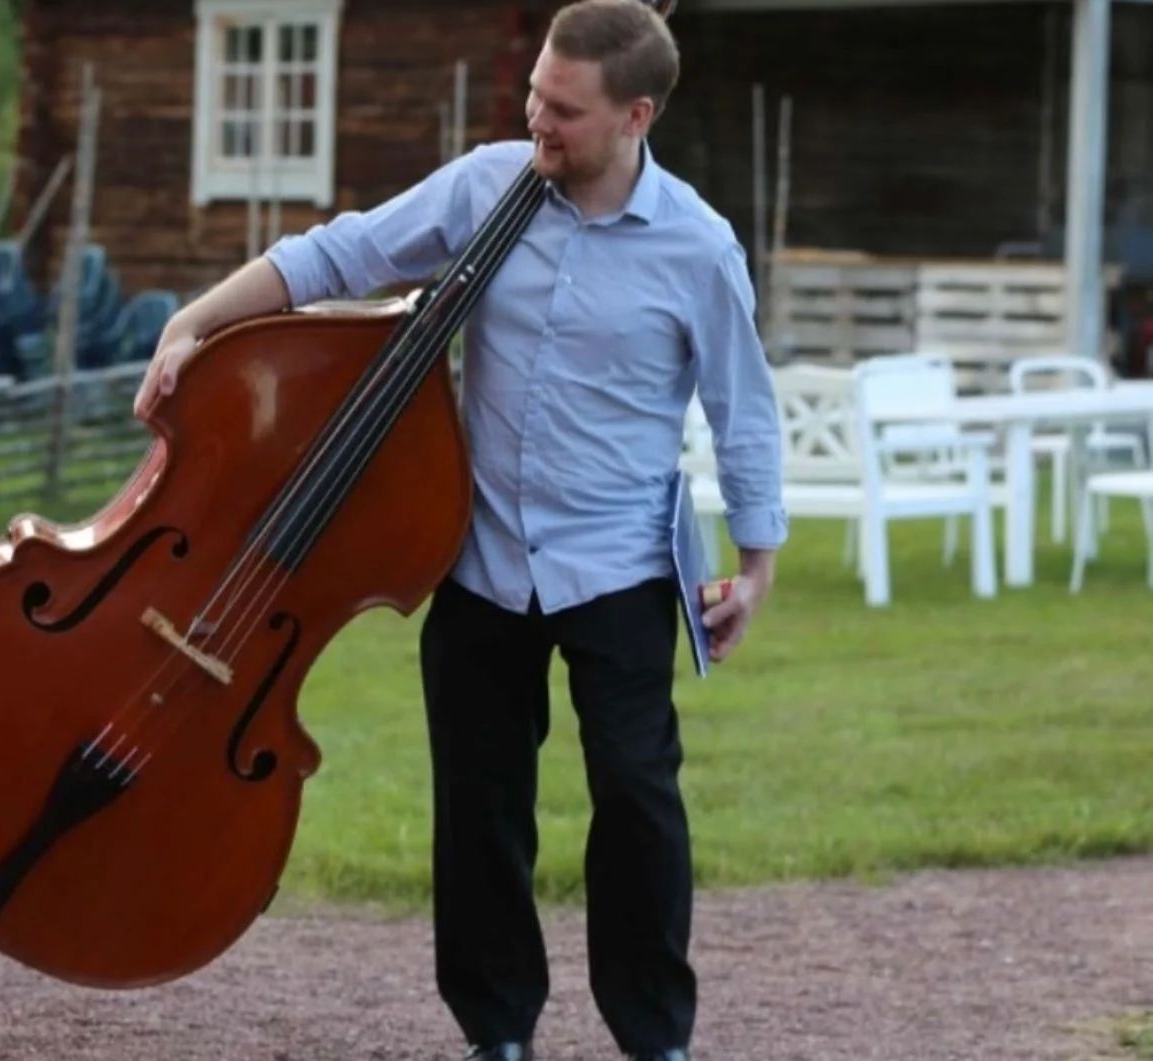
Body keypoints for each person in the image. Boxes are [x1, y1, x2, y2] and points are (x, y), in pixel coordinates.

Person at [133, 2, 786, 1059]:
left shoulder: (696, 248)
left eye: (562, 110)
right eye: (533, 93)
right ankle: (497, 1030)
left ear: (634, 116)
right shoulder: (486, 185)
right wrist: (197, 316)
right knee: (478, 805)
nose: (537, 120)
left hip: (614, 564)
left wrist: (753, 568)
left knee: (634, 792)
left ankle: (652, 1031)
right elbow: (339, 256)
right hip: (476, 556)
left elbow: (741, 410)